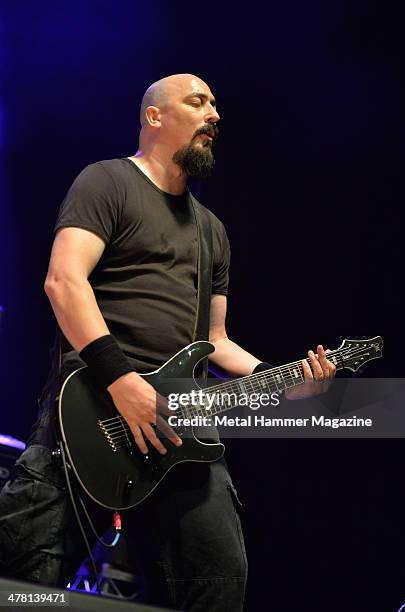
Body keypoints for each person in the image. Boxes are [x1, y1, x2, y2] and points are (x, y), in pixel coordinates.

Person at [0, 74, 336, 611]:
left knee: (219, 582)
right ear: (155, 117)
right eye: (198, 101)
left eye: (216, 105)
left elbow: (215, 340)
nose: (215, 114)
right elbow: (63, 281)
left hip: (181, 428)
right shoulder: (106, 181)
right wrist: (123, 381)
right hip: (92, 411)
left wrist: (281, 381)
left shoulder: (212, 230)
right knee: (26, 584)